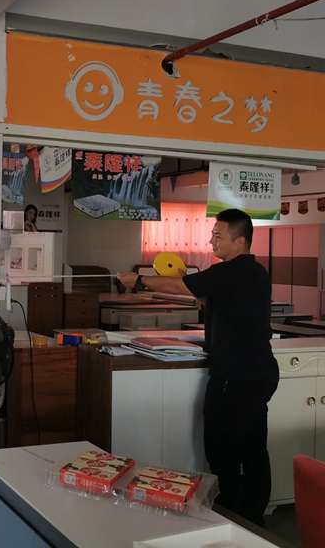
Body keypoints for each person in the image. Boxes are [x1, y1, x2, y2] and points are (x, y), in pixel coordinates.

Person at [116, 208, 279, 526]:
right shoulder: (253, 271)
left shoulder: (232, 270)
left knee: (222, 449)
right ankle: (253, 517)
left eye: (218, 236)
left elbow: (181, 287)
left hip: (236, 376)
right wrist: (192, 290)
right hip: (258, 374)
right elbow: (215, 299)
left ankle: (232, 516)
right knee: (253, 448)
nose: (211, 241)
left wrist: (139, 280)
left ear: (240, 241)